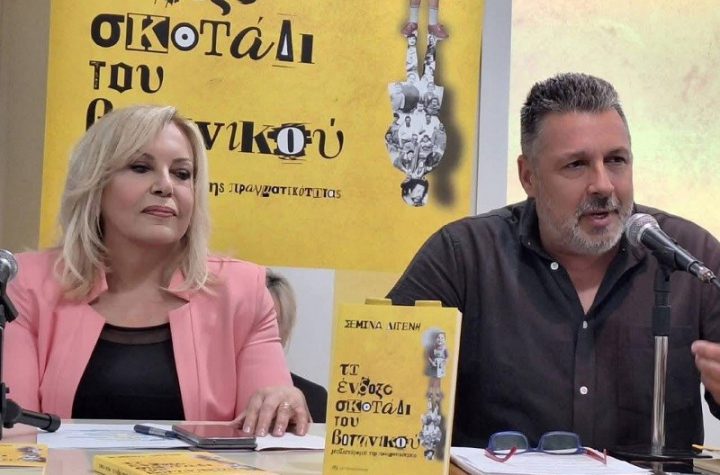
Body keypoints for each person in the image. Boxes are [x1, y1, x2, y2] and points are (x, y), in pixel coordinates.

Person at [388, 72, 720, 450]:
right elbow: (383, 390)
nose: (603, 185)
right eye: (576, 165)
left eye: (616, 160)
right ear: (528, 176)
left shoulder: (691, 257)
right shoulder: (463, 257)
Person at [3, 105, 309, 437]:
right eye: (140, 167)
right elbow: (15, 433)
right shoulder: (25, 284)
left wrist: (282, 403)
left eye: (182, 174)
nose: (165, 186)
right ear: (95, 183)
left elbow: (267, 437)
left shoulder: (243, 291)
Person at [265, 269, 328, 423]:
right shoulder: (215, 395)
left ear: (286, 330)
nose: (259, 333)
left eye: (270, 323)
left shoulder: (314, 398)